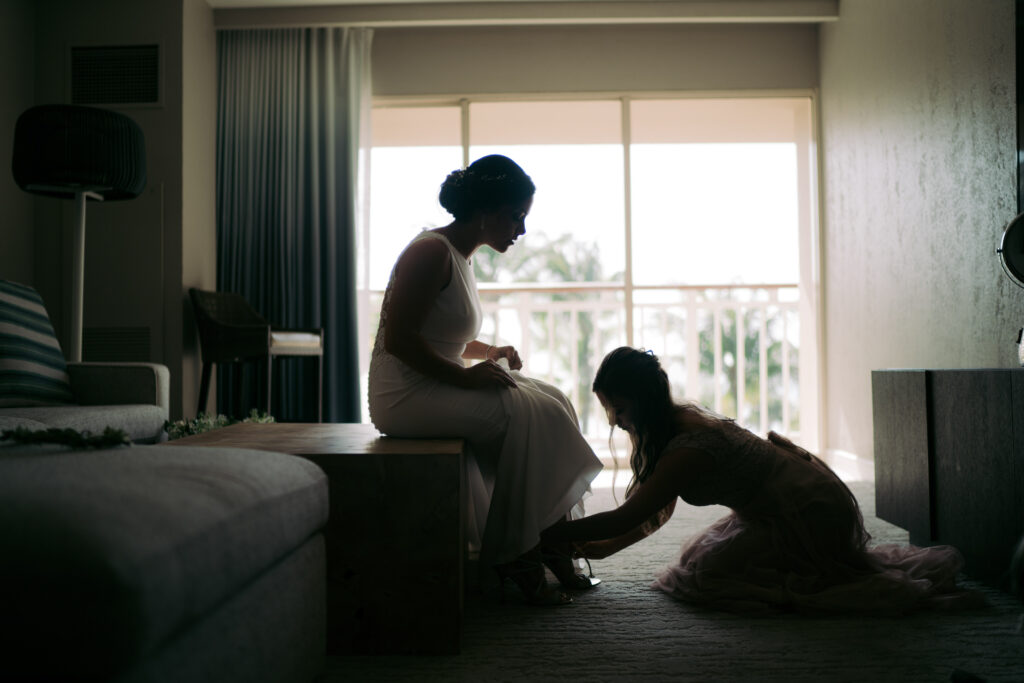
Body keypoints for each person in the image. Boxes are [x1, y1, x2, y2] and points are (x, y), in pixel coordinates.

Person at [541, 346, 981, 614]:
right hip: (782, 501)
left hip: (810, 511)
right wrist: (599, 548)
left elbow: (627, 516)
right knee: (700, 564)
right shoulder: (675, 423)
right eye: (609, 410)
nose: (614, 421)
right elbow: (655, 512)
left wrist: (545, 533)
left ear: (643, 400)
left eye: (619, 409)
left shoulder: (686, 447)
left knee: (708, 577)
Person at [368, 154, 603, 606]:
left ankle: (550, 545)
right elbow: (398, 340)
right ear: (485, 210)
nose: (521, 229)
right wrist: (464, 378)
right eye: (516, 216)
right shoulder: (430, 251)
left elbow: (443, 335)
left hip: (434, 380)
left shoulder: (460, 256)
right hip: (404, 394)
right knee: (526, 416)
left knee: (553, 400)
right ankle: (522, 553)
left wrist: (489, 352)